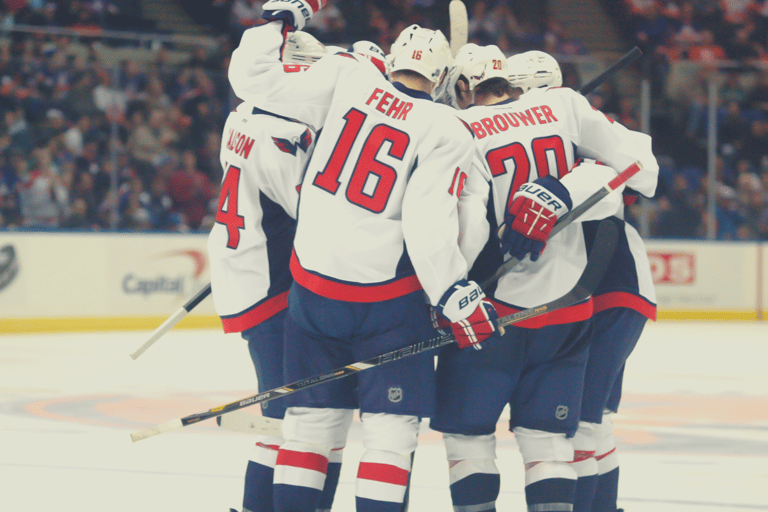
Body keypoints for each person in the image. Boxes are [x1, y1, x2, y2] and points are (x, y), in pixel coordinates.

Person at [226, 2, 499, 509]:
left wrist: (279, 22)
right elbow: (430, 222)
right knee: (389, 439)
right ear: (440, 75)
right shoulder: (446, 128)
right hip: (388, 306)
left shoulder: (349, 75)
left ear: (392, 60)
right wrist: (453, 292)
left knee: (308, 429)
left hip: (311, 295)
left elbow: (252, 78)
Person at [430, 46, 659, 512]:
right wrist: (565, 183)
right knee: (552, 443)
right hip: (567, 311)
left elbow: (468, 230)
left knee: (468, 439)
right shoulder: (564, 106)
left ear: (461, 87)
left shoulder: (457, 127)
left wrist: (443, 294)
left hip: (493, 314)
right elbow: (641, 168)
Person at [208, 31, 346, 512]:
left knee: (288, 416)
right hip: (272, 285)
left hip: (250, 270)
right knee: (303, 419)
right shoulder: (284, 130)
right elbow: (313, 213)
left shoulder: (242, 113)